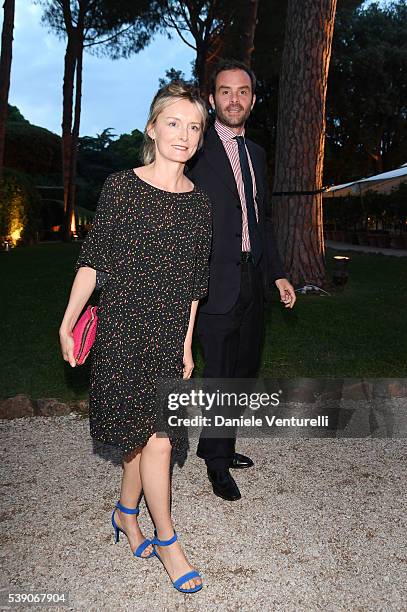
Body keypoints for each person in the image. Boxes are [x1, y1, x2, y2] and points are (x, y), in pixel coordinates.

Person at [59, 82, 212, 594]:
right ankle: (168, 540)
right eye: (174, 123)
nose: (184, 135)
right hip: (123, 334)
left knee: (155, 438)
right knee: (145, 437)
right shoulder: (122, 188)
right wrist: (68, 319)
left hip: (168, 338)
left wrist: (187, 344)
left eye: (194, 127)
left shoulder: (200, 205)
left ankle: (128, 513)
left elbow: (195, 285)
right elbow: (94, 262)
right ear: (152, 127)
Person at [187, 59, 296, 502]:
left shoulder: (256, 154)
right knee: (221, 373)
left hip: (253, 278)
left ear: (252, 99)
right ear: (212, 99)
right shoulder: (195, 147)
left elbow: (260, 219)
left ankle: (218, 445)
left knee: (245, 370)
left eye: (243, 92)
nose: (234, 99)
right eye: (225, 91)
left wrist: (279, 272)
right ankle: (216, 463)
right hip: (214, 282)